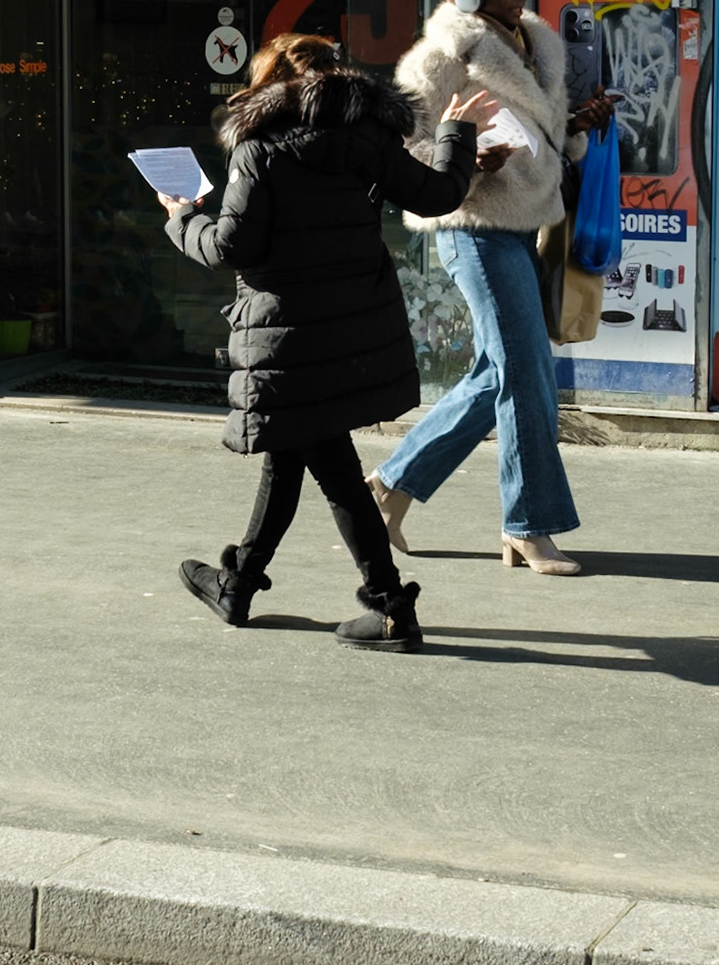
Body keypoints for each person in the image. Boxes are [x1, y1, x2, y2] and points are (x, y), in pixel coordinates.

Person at [159, 32, 491, 651]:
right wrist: (455, 135)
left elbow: (233, 247)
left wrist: (181, 216)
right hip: (353, 327)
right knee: (295, 451)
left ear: (268, 86)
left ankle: (391, 607)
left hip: (288, 335)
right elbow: (441, 194)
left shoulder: (259, 150)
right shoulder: (369, 138)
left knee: (329, 466)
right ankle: (240, 583)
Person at [366, 0, 614, 576]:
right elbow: (404, 144)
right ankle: (529, 525)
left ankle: (389, 489)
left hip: (524, 224)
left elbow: (546, 138)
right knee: (528, 370)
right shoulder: (444, 54)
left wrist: (578, 124)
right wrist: (464, 159)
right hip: (469, 222)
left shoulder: (537, 48)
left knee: (496, 374)